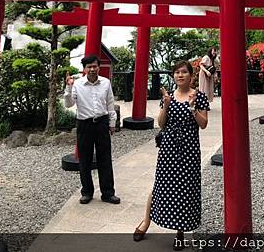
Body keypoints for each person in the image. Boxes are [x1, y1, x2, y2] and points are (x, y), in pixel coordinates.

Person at [133, 60, 209, 250]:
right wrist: (166, 105)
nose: (180, 75)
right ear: (173, 76)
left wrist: (192, 109)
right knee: (160, 185)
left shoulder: (198, 96)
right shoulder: (169, 96)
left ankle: (180, 231)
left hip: (189, 149)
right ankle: (146, 221)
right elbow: (161, 123)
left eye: (184, 72)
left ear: (191, 76)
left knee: (186, 188)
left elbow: (203, 124)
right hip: (168, 149)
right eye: (176, 72)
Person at [64, 54, 120, 205]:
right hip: (84, 124)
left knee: (105, 159)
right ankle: (87, 192)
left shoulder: (106, 83)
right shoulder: (77, 85)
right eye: (89, 67)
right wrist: (68, 87)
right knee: (85, 160)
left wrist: (112, 122)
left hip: (101, 123)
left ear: (98, 67)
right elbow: (68, 105)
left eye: (95, 66)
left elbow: (110, 103)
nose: (92, 69)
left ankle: (108, 193)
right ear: (84, 69)